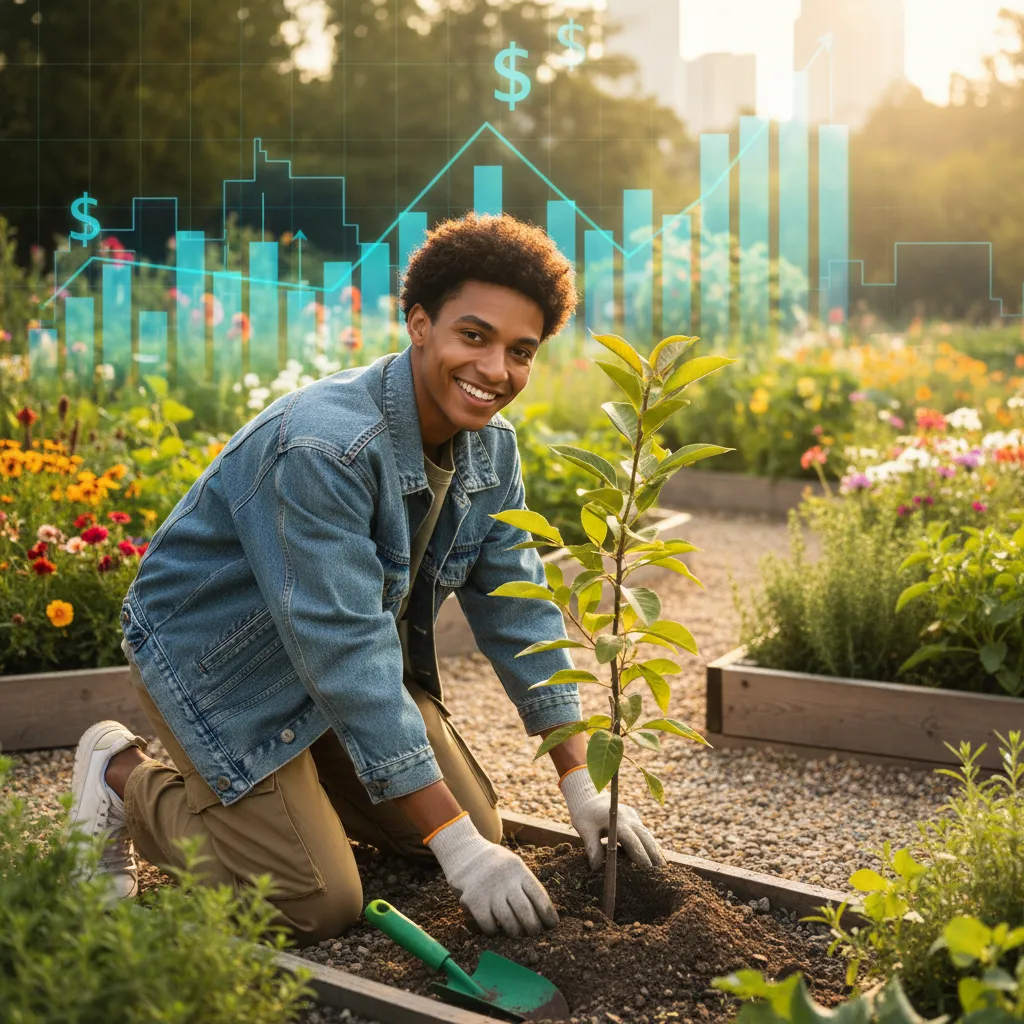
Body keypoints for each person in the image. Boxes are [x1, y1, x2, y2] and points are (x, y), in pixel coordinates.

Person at [68, 213, 665, 943]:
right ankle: (118, 776)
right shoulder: (324, 448)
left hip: (327, 652)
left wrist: (583, 782)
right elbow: (347, 655)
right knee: (313, 901)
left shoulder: (492, 449)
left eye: (520, 351)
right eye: (473, 336)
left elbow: (522, 612)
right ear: (419, 323)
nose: (495, 371)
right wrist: (460, 852)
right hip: (219, 658)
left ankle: (299, 789)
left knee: (472, 826)